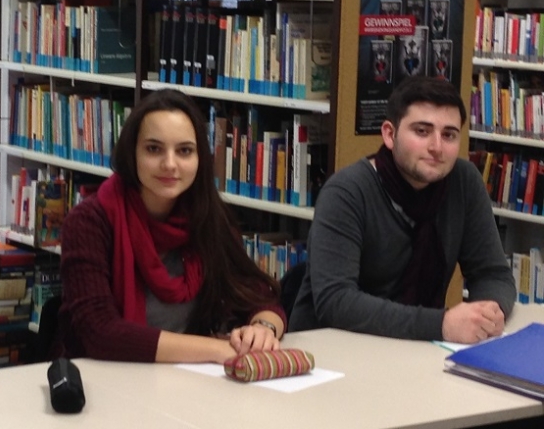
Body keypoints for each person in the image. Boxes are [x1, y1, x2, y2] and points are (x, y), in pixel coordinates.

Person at [58, 89, 286, 363]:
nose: (169, 164)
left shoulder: (208, 216)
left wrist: (264, 328)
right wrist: (216, 350)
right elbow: (100, 334)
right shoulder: (88, 223)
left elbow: (258, 295)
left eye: (184, 151)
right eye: (153, 149)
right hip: (105, 378)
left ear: (200, 158)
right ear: (132, 153)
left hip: (186, 379)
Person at [289, 76, 516, 343]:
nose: (436, 147)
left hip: (416, 347)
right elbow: (335, 301)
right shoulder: (347, 192)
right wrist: (440, 324)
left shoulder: (464, 182)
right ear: (389, 134)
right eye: (422, 131)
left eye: (449, 135)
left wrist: (489, 312)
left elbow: (493, 274)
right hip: (333, 348)